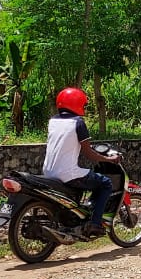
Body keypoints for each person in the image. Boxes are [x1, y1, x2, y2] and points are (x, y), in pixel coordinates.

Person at [42, 87, 119, 239]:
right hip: (68, 174)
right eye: (83, 104)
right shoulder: (78, 123)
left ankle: (83, 213)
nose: (84, 108)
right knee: (105, 183)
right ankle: (95, 224)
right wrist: (108, 159)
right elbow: (88, 153)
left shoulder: (53, 121)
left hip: (48, 172)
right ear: (76, 103)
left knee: (92, 180)